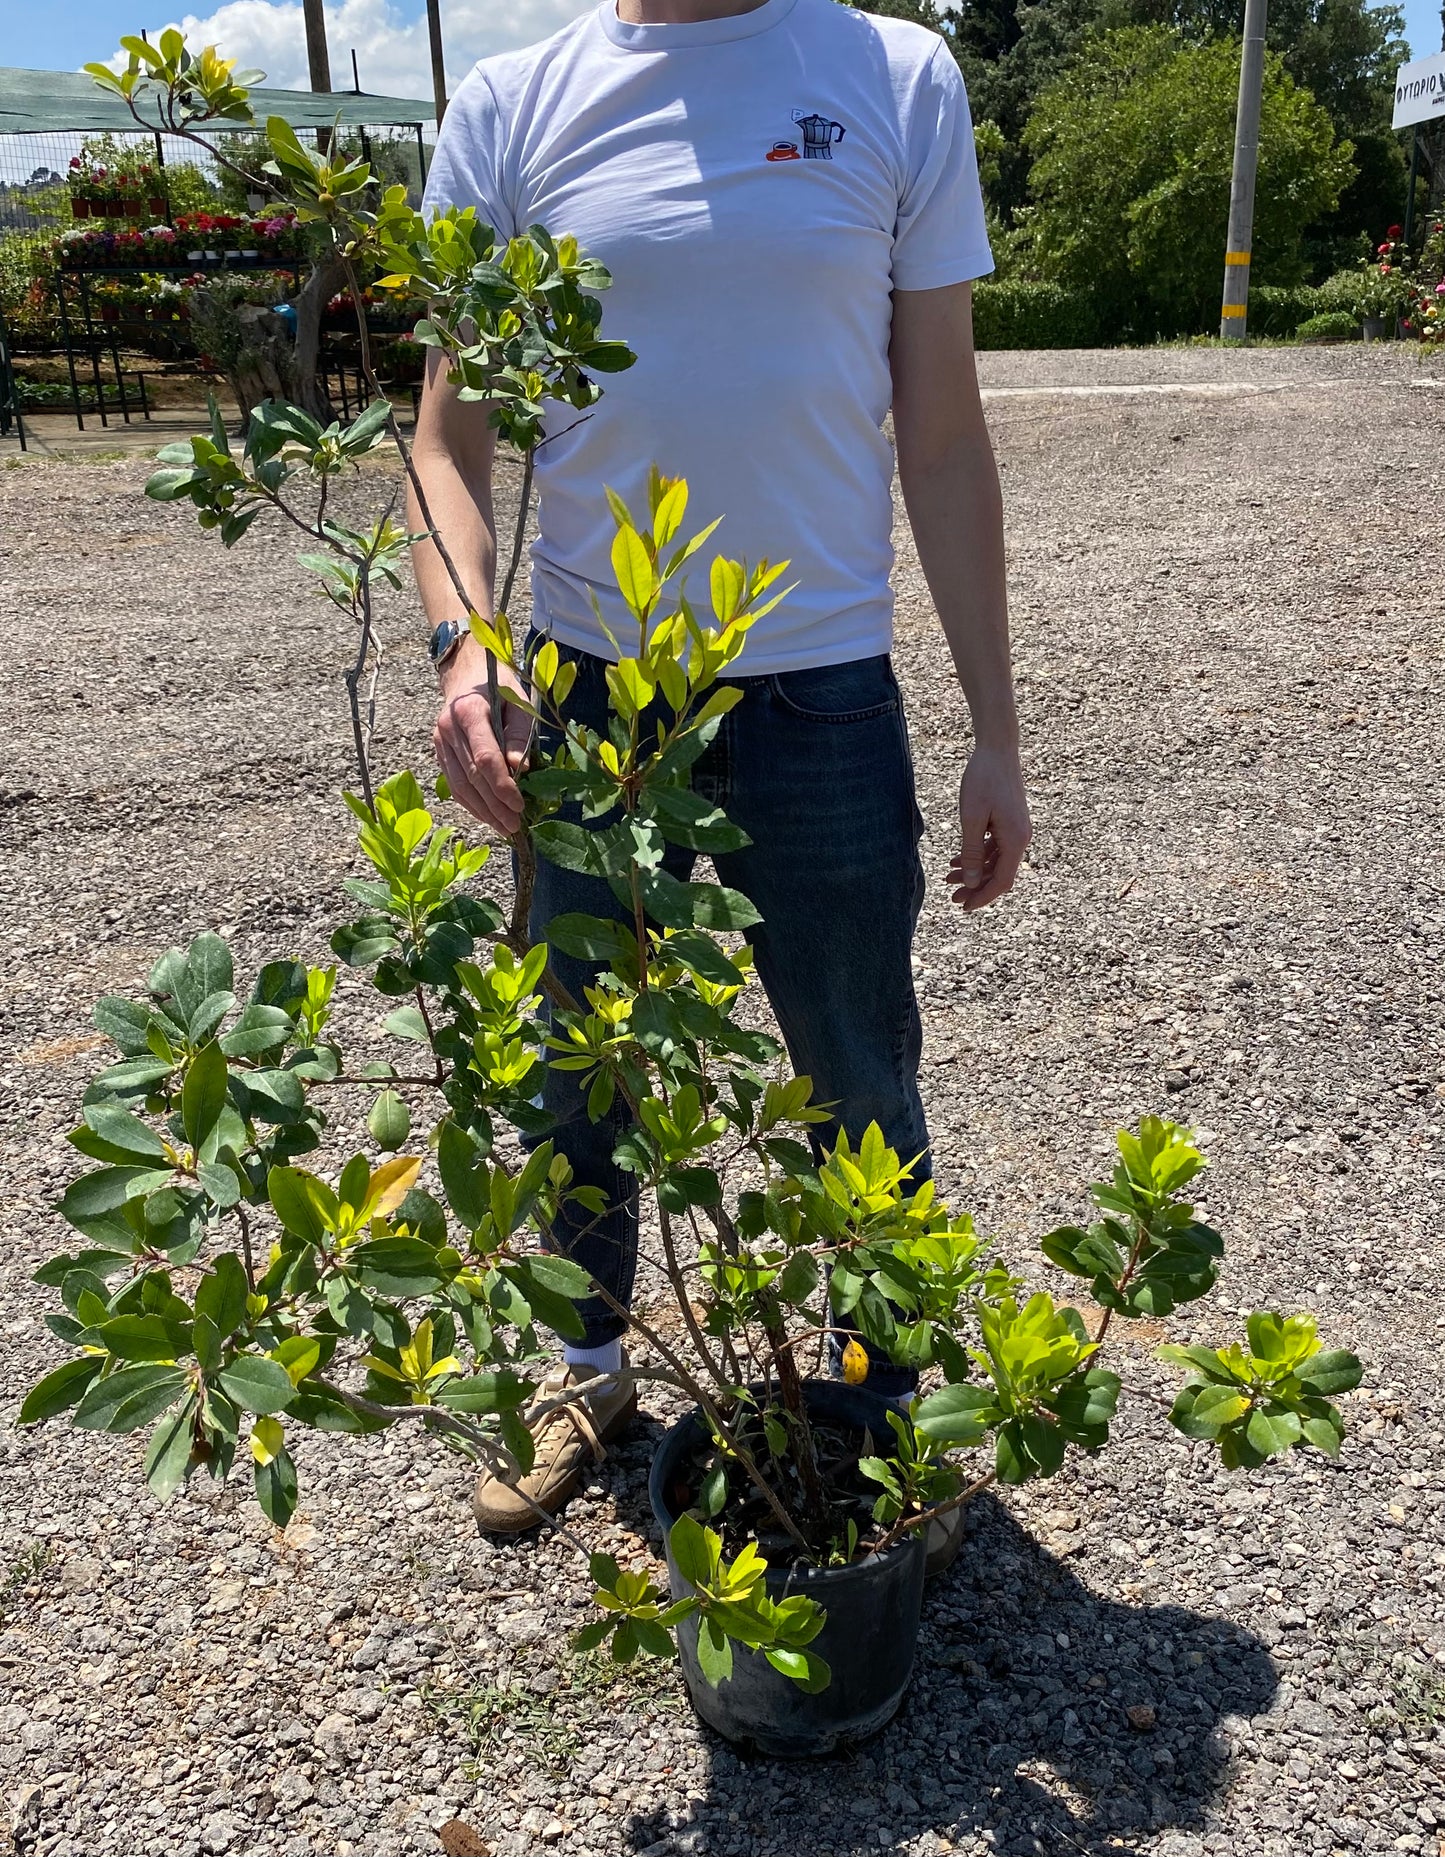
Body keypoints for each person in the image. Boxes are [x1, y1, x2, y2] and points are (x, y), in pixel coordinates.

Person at [409, 0, 1032, 1535]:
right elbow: (445, 438)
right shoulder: (512, 105)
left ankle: (882, 1405)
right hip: (588, 697)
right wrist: (465, 645)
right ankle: (585, 1367)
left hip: (817, 681)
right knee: (579, 1062)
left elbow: (941, 434)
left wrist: (994, 727)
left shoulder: (892, 78)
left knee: (854, 1069)